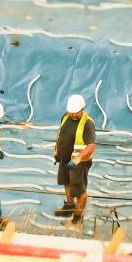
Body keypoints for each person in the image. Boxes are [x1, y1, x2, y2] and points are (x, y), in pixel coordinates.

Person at [54, 94, 96, 224]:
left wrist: (78, 159)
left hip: (78, 164)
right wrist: (57, 151)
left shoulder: (87, 123)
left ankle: (78, 216)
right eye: (71, 111)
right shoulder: (65, 116)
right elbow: (61, 135)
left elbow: (91, 146)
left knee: (80, 190)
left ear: (82, 109)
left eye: (76, 112)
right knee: (67, 183)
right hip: (64, 160)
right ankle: (69, 207)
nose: (73, 115)